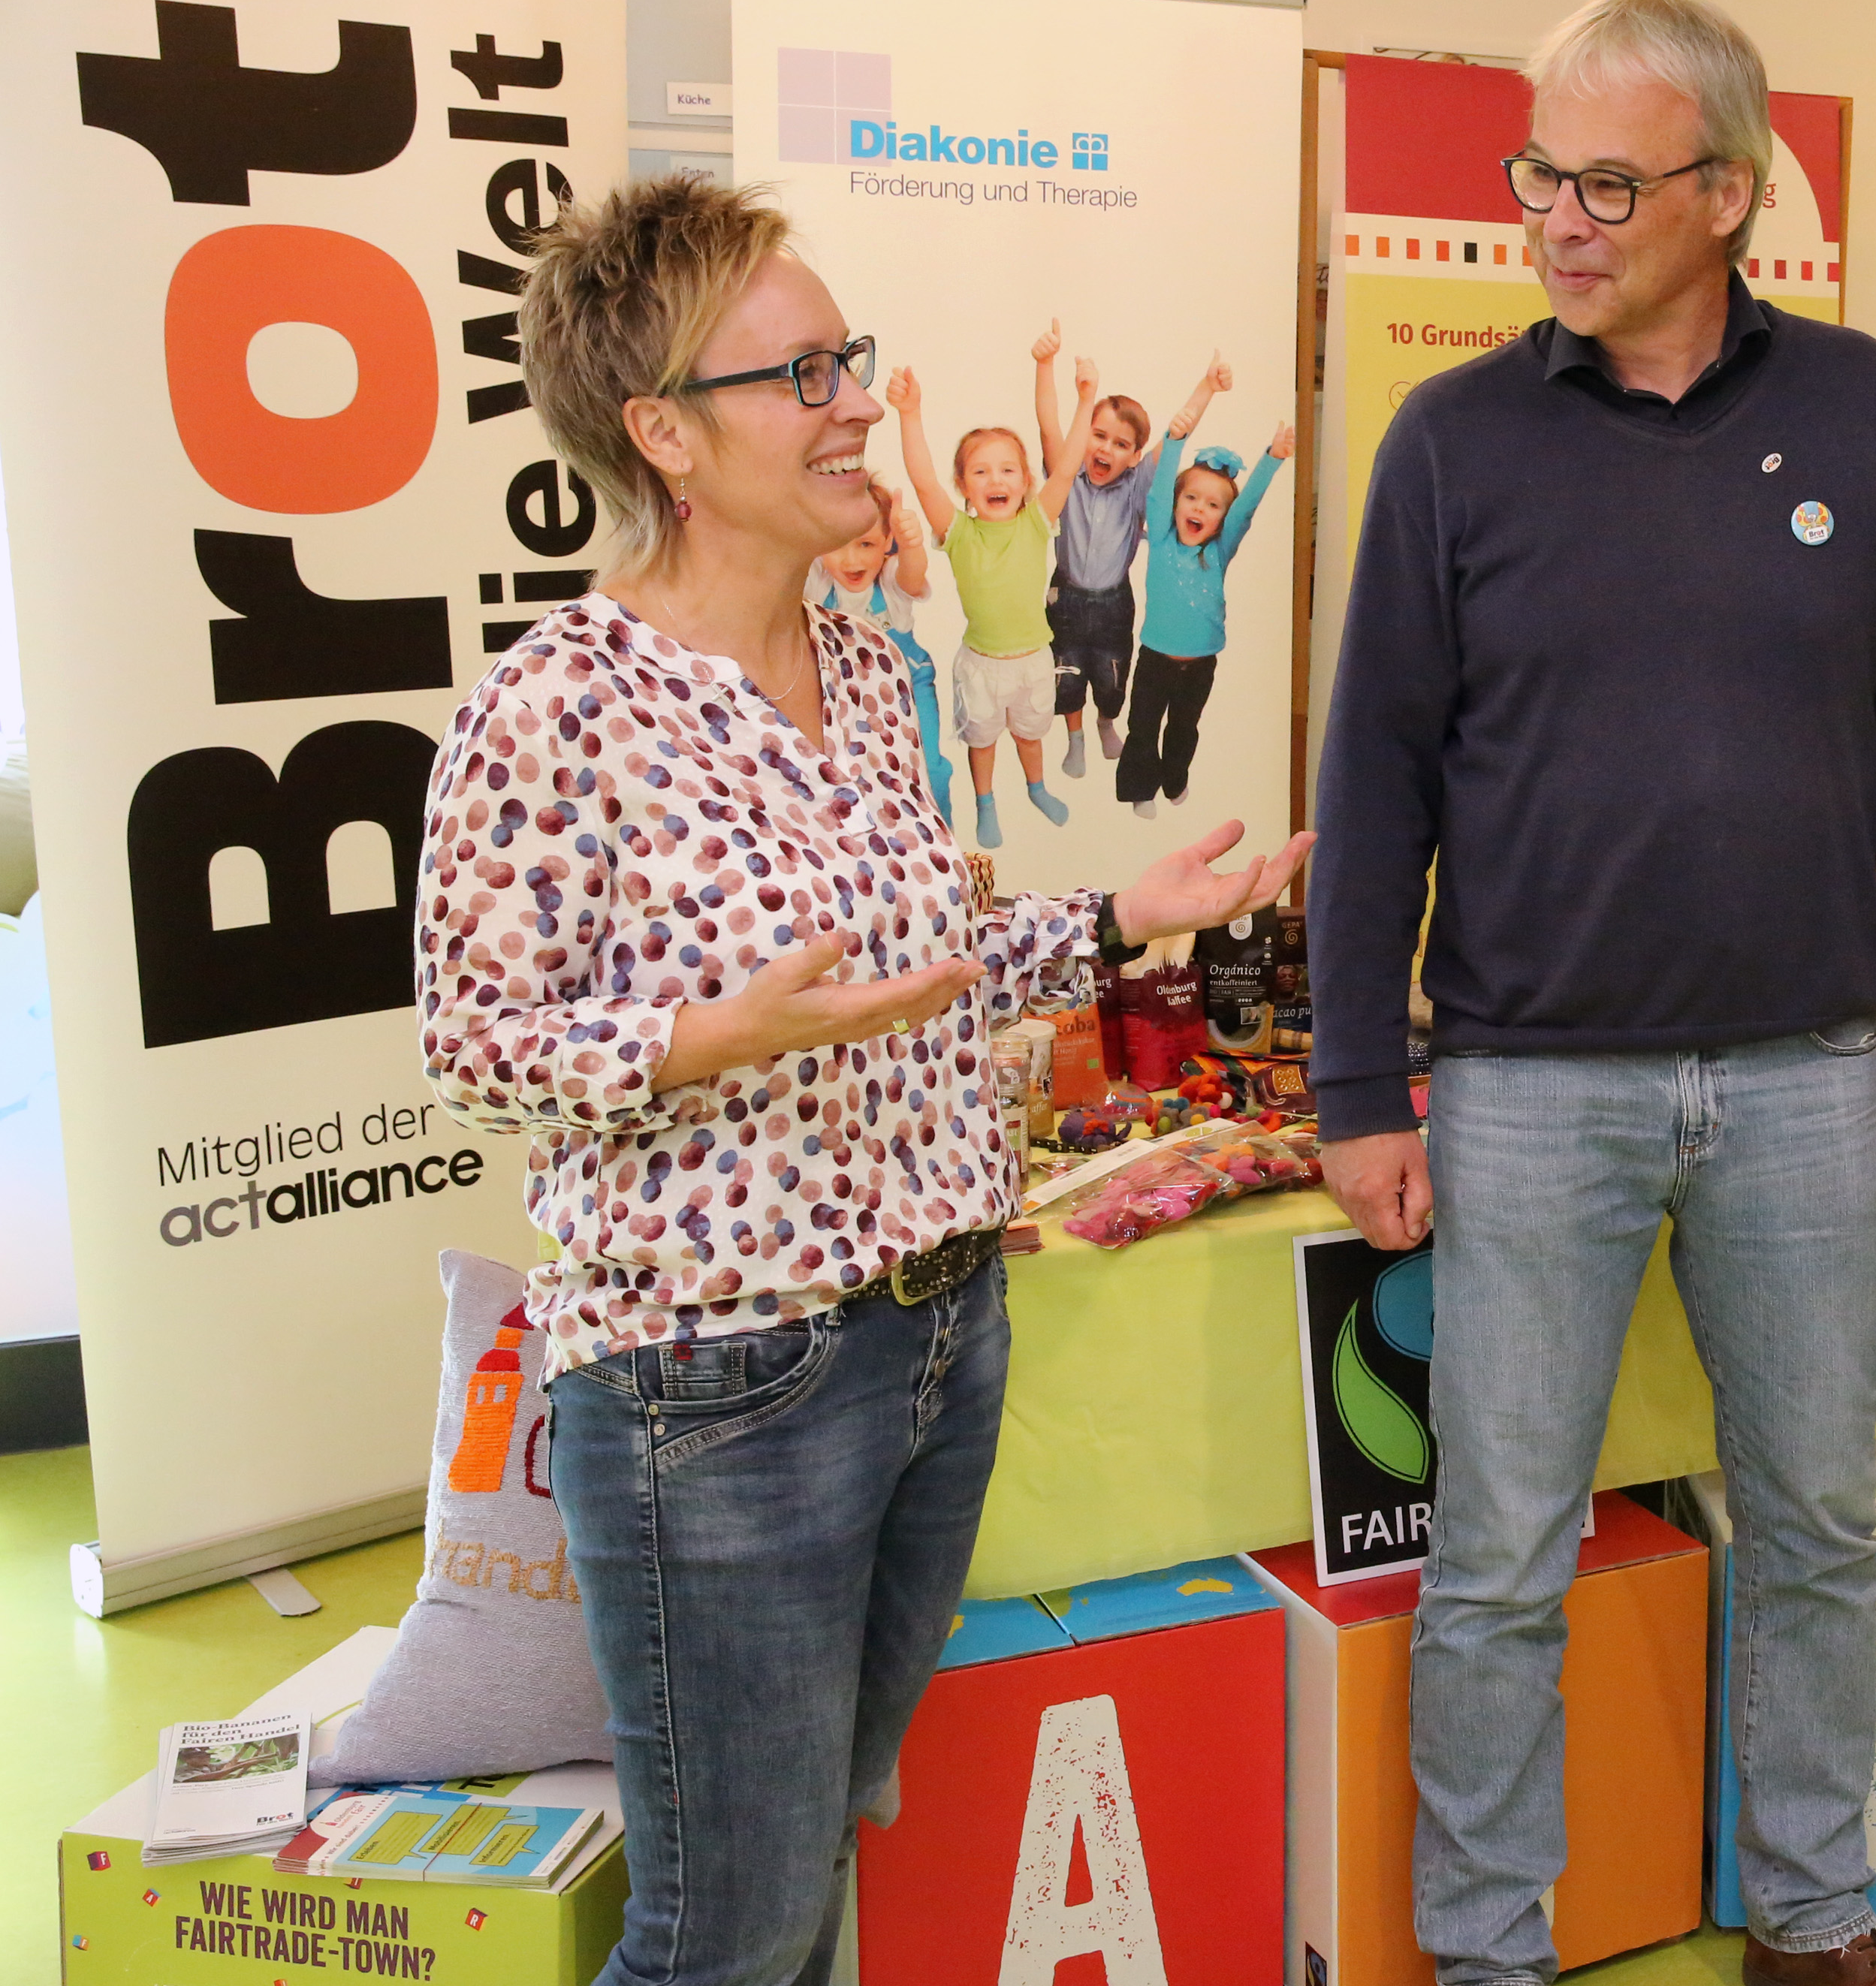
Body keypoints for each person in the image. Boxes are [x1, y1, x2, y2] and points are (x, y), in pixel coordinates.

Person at [417, 173, 1309, 1986]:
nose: (849, 399)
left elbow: (916, 973)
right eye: (799, 369)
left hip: (933, 1336)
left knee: (817, 1844)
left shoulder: (858, 654)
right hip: (712, 1392)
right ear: (665, 432)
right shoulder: (555, 705)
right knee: (720, 1935)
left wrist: (1118, 917)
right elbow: (472, 1042)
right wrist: (694, 1041)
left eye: (849, 354)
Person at [1312, 0, 1876, 1986]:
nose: (1555, 216)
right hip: (1528, 1090)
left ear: (1730, 193)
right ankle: (1484, 1955)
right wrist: (1358, 1085)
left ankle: (1811, 1922)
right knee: (1495, 1567)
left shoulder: (1860, 408)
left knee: (1814, 1530)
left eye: (1606, 181)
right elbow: (1370, 776)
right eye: (1539, 172)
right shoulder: (1451, 444)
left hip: (1806, 1072)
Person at [887, 360, 1094, 848]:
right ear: (964, 487)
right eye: (980, 471)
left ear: (1025, 482)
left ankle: (1036, 787)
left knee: (1029, 733)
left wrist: (1086, 399)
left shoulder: (1037, 521)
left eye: (1007, 470)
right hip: (980, 664)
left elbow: (1066, 466)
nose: (995, 479)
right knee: (981, 741)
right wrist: (910, 414)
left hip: (1032, 662)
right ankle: (985, 801)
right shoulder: (958, 532)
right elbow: (923, 482)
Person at [1117, 377, 1289, 815]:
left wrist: (1272, 459)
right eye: (1191, 498)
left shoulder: (1220, 550)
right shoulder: (1161, 538)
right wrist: (1176, 440)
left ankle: (1174, 779)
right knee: (1143, 726)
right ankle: (1140, 788)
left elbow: (1246, 507)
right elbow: (1156, 491)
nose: (1199, 509)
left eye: (1213, 505)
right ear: (1175, 505)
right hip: (1156, 657)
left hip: (1200, 663)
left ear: (1222, 520)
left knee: (1183, 728)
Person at [1031, 316, 1157, 779]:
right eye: (1098, 436)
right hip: (1066, 595)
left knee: (1111, 677)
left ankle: (1106, 721)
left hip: (1113, 602)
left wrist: (1203, 391)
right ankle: (1076, 737)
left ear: (1135, 456)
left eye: (1121, 443)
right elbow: (1048, 428)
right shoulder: (1068, 478)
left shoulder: (1136, 487)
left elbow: (1173, 442)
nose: (1105, 449)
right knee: (1066, 676)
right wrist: (1045, 365)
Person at [809, 487, 952, 828]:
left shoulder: (890, 582)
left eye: (866, 544)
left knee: (930, 770)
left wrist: (912, 544)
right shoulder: (817, 583)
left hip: (907, 687)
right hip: (843, 692)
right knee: (854, 780)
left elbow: (912, 574)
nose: (852, 560)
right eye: (837, 543)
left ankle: (947, 845)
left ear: (888, 542)